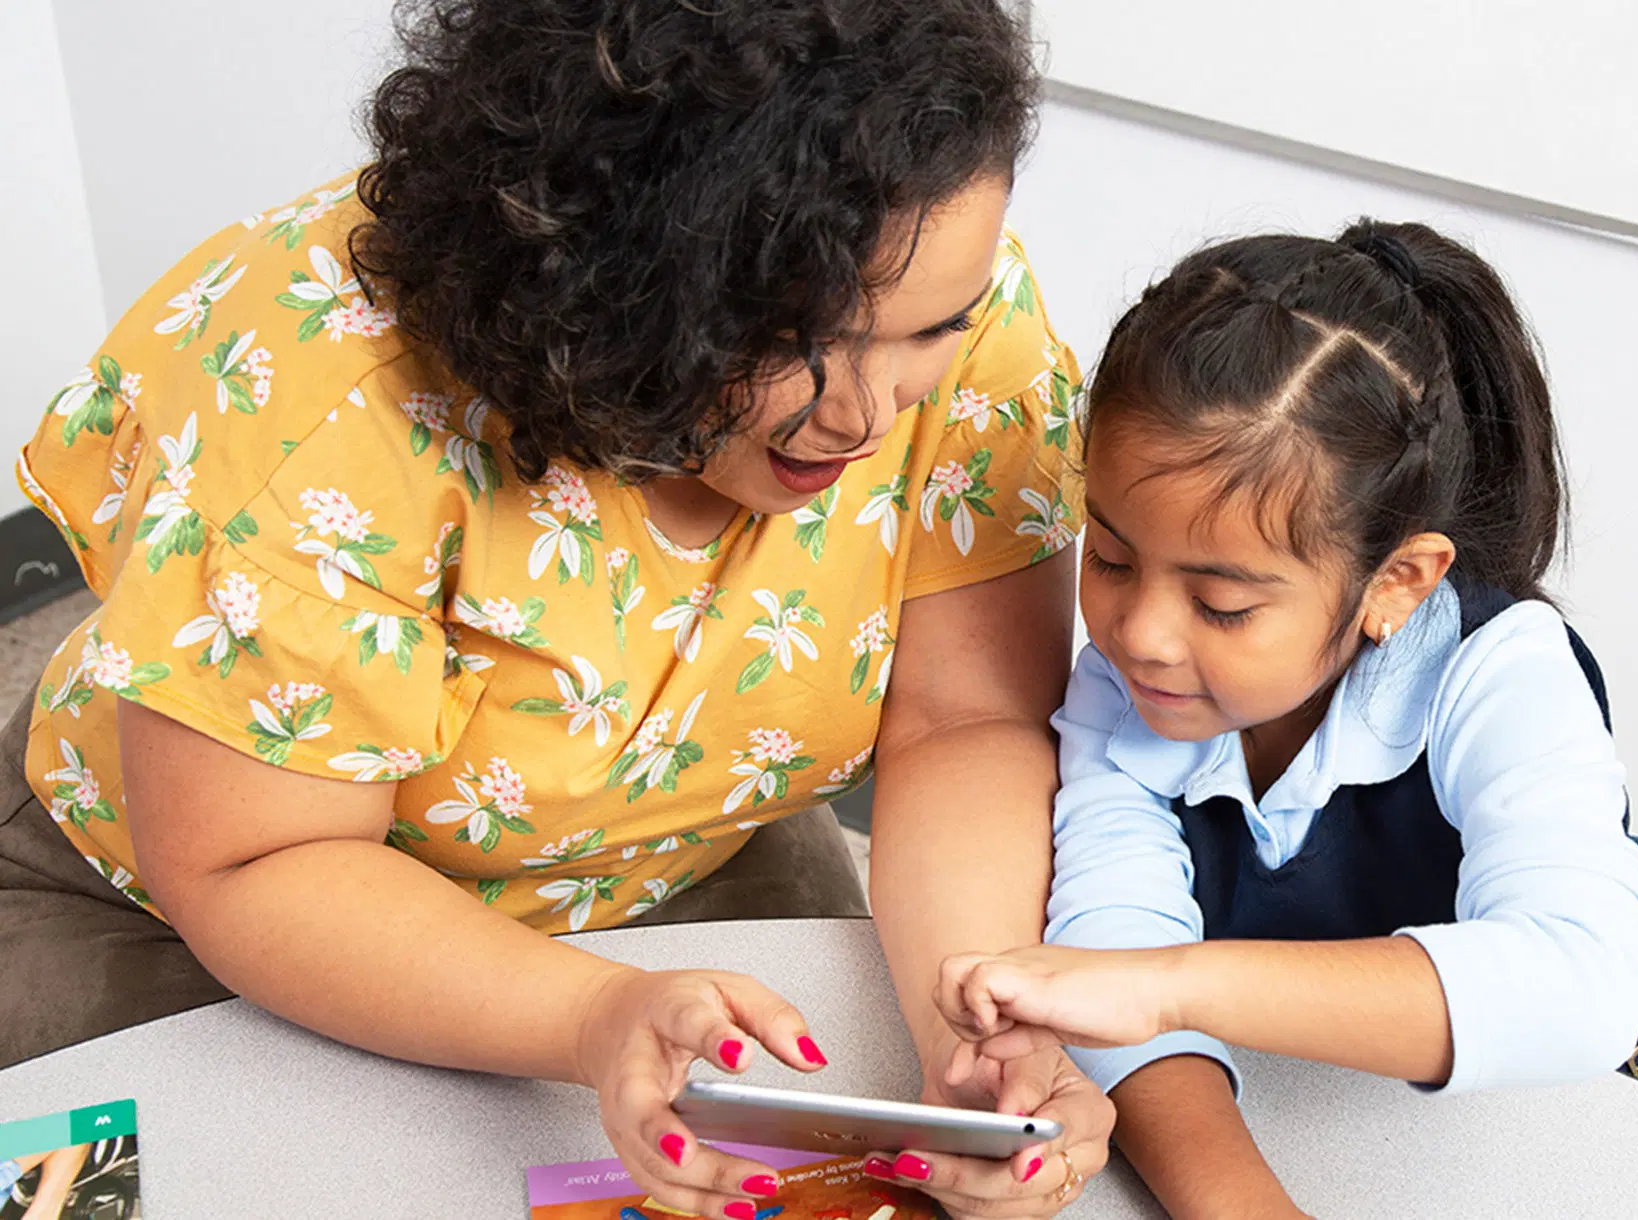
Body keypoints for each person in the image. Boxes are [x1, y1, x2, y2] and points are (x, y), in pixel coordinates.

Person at [1, 3, 1114, 1217]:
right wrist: (588, 1013)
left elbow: (964, 722)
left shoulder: (951, 303)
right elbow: (261, 857)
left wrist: (978, 1018)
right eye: (793, 339)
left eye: (928, 331)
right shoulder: (323, 390)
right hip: (195, 893)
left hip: (685, 841)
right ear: (607, 275)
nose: (866, 415)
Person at [933, 222, 1638, 1217]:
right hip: (1327, 1141)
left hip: (1575, 1143)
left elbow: (1577, 983)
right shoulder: (1123, 685)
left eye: (1222, 604)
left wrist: (1167, 986)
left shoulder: (1502, 671)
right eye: (1114, 557)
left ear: (1397, 582)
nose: (1140, 633)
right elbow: (1114, 945)